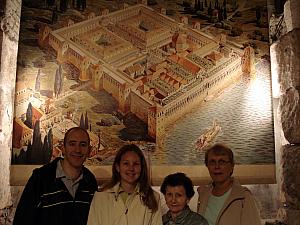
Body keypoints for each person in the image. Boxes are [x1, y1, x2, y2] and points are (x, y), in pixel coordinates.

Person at [13, 127, 98, 225]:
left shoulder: (90, 181)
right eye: (72, 144)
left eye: (83, 145)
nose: (77, 150)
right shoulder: (41, 178)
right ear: (63, 148)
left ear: (89, 150)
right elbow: (22, 220)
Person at [87, 144, 163, 225]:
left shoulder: (153, 198)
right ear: (117, 167)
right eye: (126, 163)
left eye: (136, 164)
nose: (131, 168)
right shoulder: (100, 197)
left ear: (142, 168)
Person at [197, 144, 261, 225]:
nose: (217, 166)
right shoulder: (203, 195)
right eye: (212, 162)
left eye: (222, 162)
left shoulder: (243, 197)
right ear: (207, 166)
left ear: (231, 166)